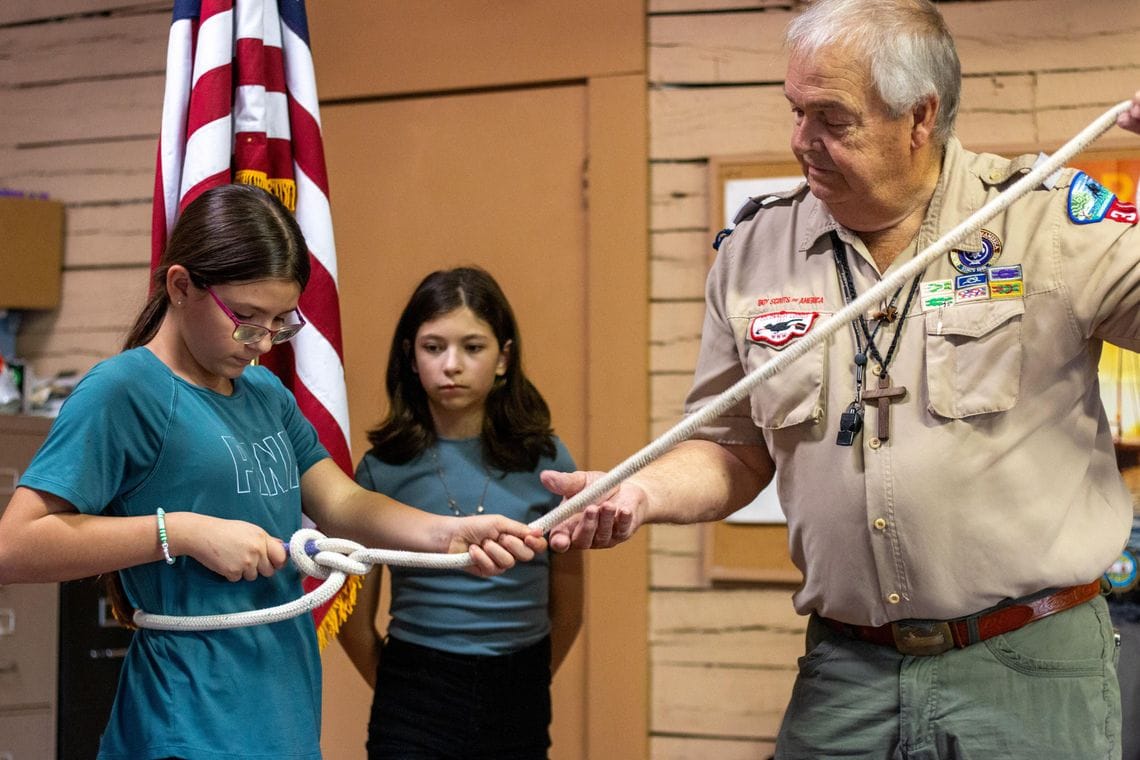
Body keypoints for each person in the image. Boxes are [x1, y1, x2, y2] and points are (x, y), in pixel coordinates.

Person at [542, 1, 1140, 757]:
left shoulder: (1042, 220)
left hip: (1028, 662)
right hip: (846, 667)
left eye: (831, 118)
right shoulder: (756, 250)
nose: (801, 141)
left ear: (919, 116)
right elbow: (732, 446)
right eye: (795, 111)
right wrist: (640, 495)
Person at [0, 184, 546, 760]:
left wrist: (445, 533)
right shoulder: (123, 392)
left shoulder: (263, 389)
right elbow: (16, 545)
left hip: (282, 701)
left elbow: (342, 503)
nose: (261, 342)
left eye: (281, 322)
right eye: (247, 319)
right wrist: (183, 531)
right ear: (181, 285)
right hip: (188, 716)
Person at [337, 266, 582, 760]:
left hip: (520, 685)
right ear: (410, 356)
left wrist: (523, 680)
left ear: (503, 359)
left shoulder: (548, 462)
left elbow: (570, 610)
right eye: (433, 347)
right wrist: (403, 689)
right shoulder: (381, 469)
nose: (452, 365)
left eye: (473, 347)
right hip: (415, 686)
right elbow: (352, 620)